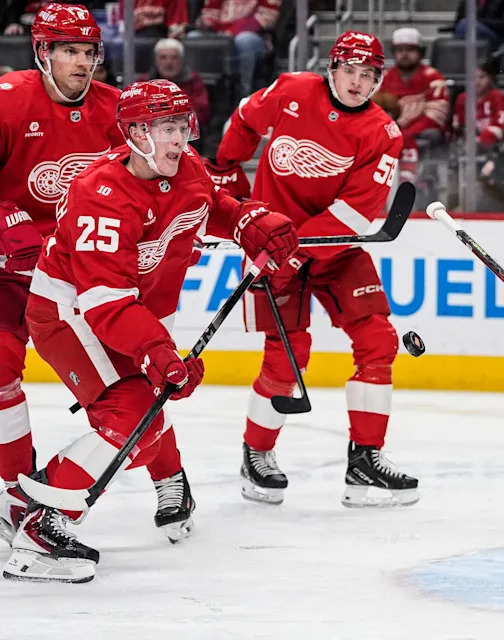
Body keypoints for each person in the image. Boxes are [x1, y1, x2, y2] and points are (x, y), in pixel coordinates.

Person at [2, 79, 297, 583]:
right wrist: (157, 351)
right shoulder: (101, 195)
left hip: (133, 310)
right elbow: (106, 301)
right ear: (135, 132)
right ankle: (38, 521)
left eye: (183, 126)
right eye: (166, 128)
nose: (179, 139)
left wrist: (249, 220)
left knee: (150, 401)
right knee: (132, 409)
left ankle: (162, 477)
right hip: (71, 312)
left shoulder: (188, 169)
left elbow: (209, 206)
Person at [0, 3, 186, 546]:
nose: (83, 62)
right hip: (11, 270)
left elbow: (164, 176)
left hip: (86, 275)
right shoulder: (8, 102)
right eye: (69, 51)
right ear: (43, 53)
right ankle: (15, 490)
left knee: (141, 381)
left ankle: (170, 475)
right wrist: (7, 221)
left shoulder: (116, 109)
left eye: (89, 51)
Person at [210, 31, 419, 508]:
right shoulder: (291, 90)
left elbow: (356, 212)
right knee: (287, 357)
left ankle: (366, 461)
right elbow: (243, 118)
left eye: (369, 75)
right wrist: (225, 169)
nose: (358, 82)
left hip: (335, 249)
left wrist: (298, 251)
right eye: (350, 70)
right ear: (332, 68)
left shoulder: (382, 133)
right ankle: (256, 454)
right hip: (268, 237)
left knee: (377, 341)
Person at [379, 27, 449, 173]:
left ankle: (425, 180)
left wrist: (406, 131)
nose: (404, 54)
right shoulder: (383, 78)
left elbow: (436, 116)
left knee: (433, 134)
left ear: (420, 52)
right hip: (392, 130)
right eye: (400, 50)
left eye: (410, 50)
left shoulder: (434, 78)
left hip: (419, 132)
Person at [196, 0, 281, 96]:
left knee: (244, 41)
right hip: (220, 34)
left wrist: (231, 32)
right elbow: (211, 11)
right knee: (193, 37)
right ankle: (199, 91)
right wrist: (207, 23)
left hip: (255, 36)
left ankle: (243, 91)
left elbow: (267, 17)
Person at [141, 38, 211, 130]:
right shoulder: (144, 82)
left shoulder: (194, 81)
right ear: (156, 60)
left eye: (174, 57)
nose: (169, 63)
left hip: (187, 134)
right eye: (163, 57)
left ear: (182, 60)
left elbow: (202, 114)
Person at [451, 58, 504, 151]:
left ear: (490, 78)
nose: (477, 82)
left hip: (493, 145)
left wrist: (481, 140)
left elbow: (499, 126)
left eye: (482, 77)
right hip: (468, 145)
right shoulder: (462, 99)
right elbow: (458, 126)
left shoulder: (496, 96)